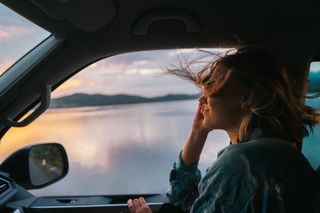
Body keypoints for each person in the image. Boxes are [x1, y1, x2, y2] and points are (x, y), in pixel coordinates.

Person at [126, 47, 320, 212]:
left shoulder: (242, 163)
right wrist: (198, 132)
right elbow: (187, 199)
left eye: (211, 86)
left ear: (247, 98)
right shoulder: (275, 153)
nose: (203, 99)